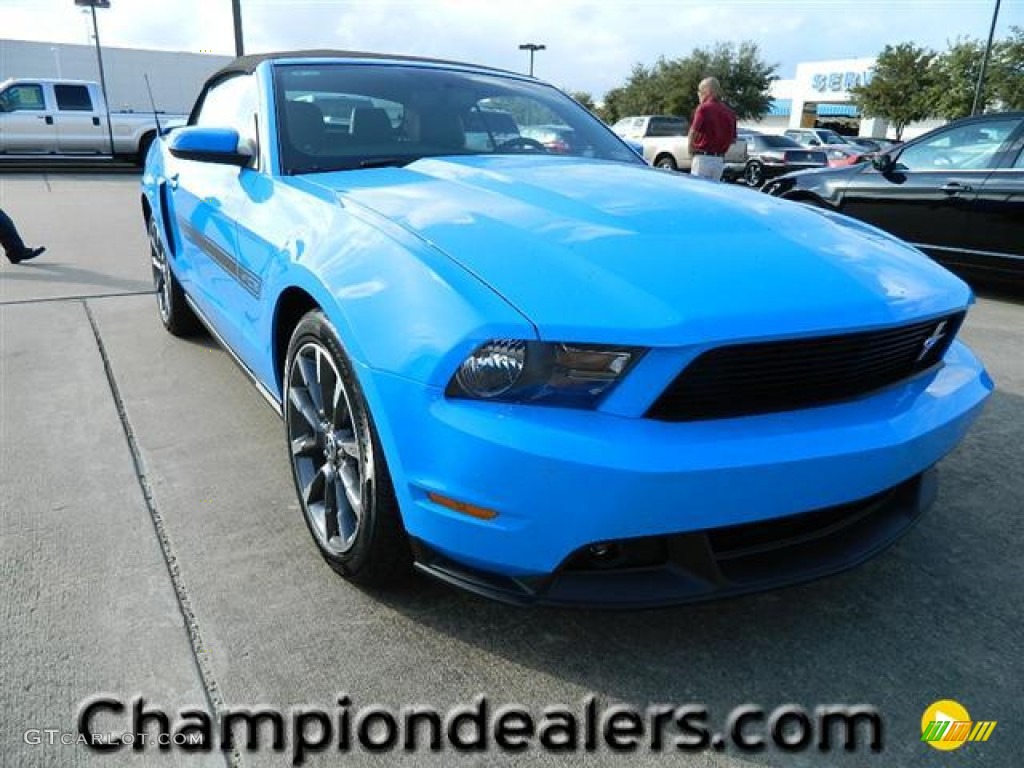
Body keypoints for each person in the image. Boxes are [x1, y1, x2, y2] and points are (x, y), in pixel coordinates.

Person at [688, 77, 737, 181]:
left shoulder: (703, 108)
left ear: (708, 91)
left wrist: (690, 151)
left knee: (698, 192)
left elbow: (693, 132)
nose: (699, 95)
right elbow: (733, 139)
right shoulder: (730, 112)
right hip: (719, 160)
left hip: (703, 158)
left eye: (700, 92)